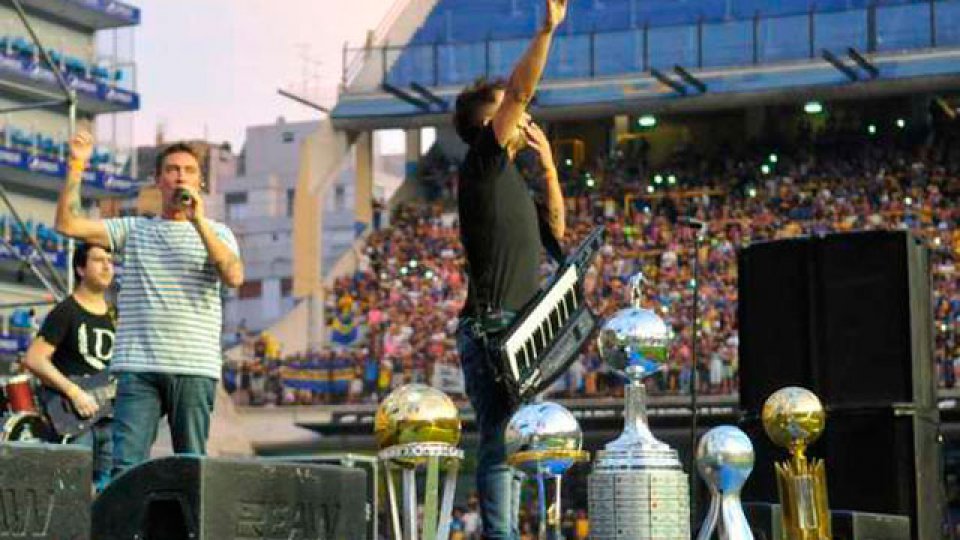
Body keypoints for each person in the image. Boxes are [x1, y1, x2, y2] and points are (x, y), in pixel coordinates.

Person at [55, 130, 244, 478]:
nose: (181, 177)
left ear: (200, 181)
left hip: (194, 366)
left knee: (191, 469)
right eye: (172, 170)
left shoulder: (218, 232)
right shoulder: (134, 230)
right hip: (138, 366)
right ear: (159, 180)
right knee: (126, 469)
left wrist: (198, 220)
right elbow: (67, 224)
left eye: (189, 170)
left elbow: (233, 276)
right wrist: (76, 165)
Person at [452, 0, 568, 536]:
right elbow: (520, 91)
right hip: (493, 326)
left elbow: (559, 234)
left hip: (520, 330)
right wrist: (545, 30)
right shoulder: (481, 161)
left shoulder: (510, 181)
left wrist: (546, 166)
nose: (523, 115)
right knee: (500, 444)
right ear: (488, 122)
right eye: (509, 112)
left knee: (516, 442)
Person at [22, 242, 116, 490]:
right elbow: (34, 358)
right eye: (98, 260)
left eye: (110, 260)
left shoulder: (116, 316)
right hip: (75, 419)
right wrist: (74, 392)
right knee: (73, 491)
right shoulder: (66, 311)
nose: (107, 266)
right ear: (80, 269)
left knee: (111, 494)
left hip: (110, 417)